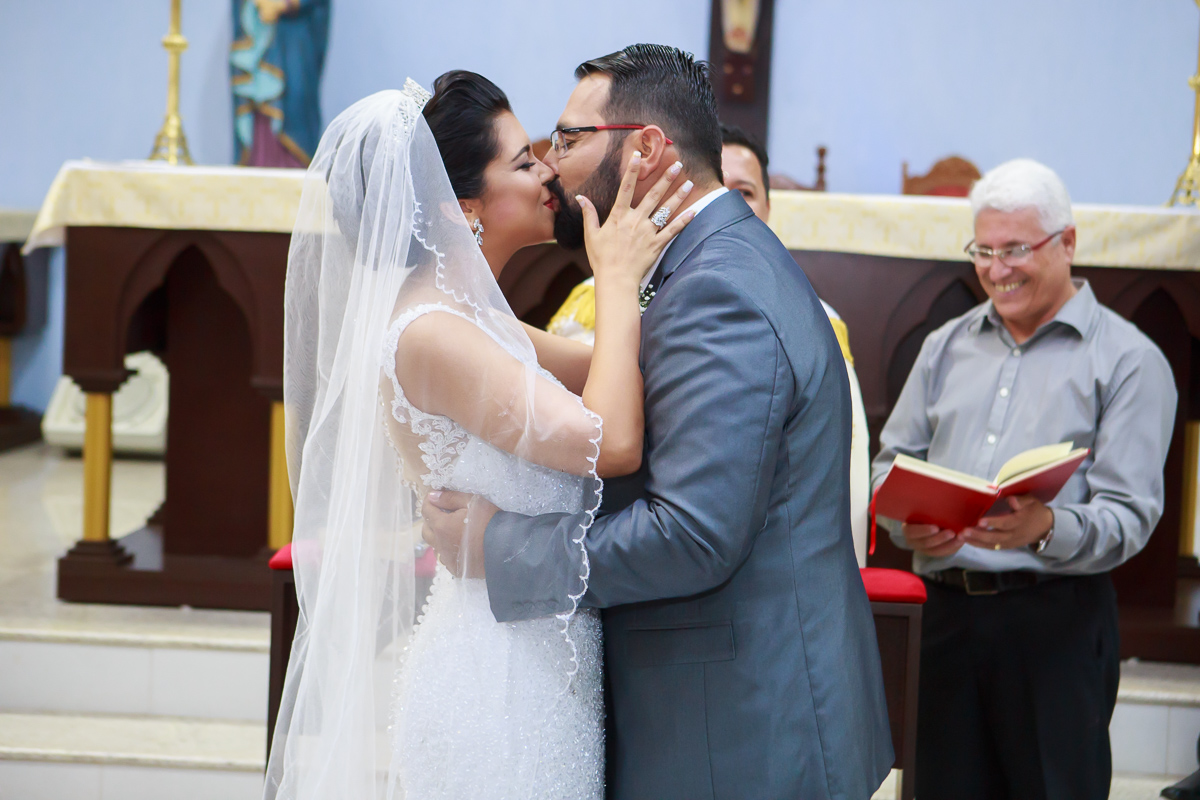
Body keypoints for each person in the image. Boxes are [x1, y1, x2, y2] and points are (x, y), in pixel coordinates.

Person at [423, 44, 893, 799]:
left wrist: (496, 542)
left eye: (569, 139)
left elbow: (693, 534)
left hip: (740, 731)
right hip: (714, 710)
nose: (551, 164)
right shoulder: (698, 266)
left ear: (645, 147)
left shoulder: (718, 291)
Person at [265, 73, 693, 799]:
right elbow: (610, 441)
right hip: (497, 689)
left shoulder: (479, 319)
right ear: (463, 207)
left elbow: (616, 367)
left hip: (537, 659)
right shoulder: (432, 333)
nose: (547, 172)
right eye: (523, 164)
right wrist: (614, 281)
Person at [871, 158, 1177, 800]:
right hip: (945, 619)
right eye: (984, 250)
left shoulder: (1127, 360)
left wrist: (1046, 529)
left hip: (1056, 627)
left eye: (1015, 250)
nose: (997, 270)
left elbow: (1132, 513)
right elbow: (889, 464)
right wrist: (910, 520)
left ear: (1067, 242)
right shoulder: (946, 345)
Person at [720, 123, 872, 565]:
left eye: (744, 192)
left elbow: (847, 466)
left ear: (768, 208)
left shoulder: (817, 321)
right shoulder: (604, 304)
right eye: (713, 186)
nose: (728, 205)